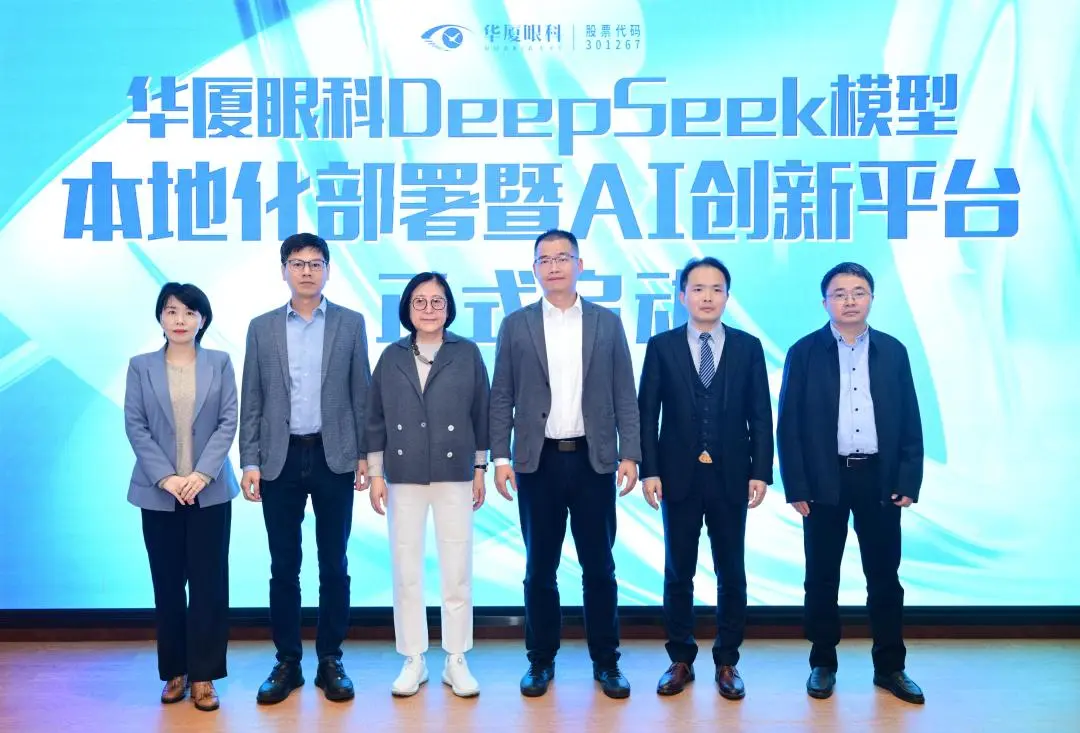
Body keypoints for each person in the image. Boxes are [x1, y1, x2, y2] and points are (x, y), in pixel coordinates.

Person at [490, 228, 641, 699]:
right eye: (544, 259)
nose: (553, 266)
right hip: (538, 464)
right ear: (534, 269)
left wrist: (631, 453)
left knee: (600, 567)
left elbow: (624, 393)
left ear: (579, 264)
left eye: (562, 257)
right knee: (540, 569)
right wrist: (500, 457)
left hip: (594, 462)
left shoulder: (605, 323)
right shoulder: (516, 325)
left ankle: (606, 662)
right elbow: (501, 396)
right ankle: (540, 660)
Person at [777, 262, 925, 705]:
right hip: (825, 479)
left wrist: (908, 478)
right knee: (821, 576)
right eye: (839, 293)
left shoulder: (893, 351)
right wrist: (796, 485)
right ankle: (823, 662)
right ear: (825, 302)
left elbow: (910, 419)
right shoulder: (804, 352)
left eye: (858, 292)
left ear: (871, 298)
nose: (849, 300)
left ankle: (890, 667)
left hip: (880, 478)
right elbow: (789, 425)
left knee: (884, 577)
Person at [239, 232, 371, 704]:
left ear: (329, 270)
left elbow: (361, 393)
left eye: (316, 263)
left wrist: (365, 456)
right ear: (284, 271)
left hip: (334, 456)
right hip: (280, 458)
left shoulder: (351, 323)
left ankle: (330, 659)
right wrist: (249, 459)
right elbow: (252, 397)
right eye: (298, 263)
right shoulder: (262, 327)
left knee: (334, 563)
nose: (307, 271)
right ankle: (287, 662)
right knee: (284, 566)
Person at [638, 257, 773, 700]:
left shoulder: (749, 347)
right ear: (683, 296)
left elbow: (761, 413)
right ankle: (680, 658)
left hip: (732, 476)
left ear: (727, 296)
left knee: (731, 571)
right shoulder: (661, 346)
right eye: (698, 289)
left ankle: (727, 660)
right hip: (676, 476)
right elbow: (646, 413)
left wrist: (761, 471)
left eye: (716, 289)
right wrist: (649, 469)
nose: (707, 297)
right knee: (678, 571)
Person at [364, 272, 490, 698]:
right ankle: (413, 658)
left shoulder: (467, 353)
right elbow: (375, 416)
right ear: (407, 308)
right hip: (404, 473)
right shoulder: (392, 355)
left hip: (456, 473)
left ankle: (456, 658)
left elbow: (481, 412)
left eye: (437, 301)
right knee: (406, 568)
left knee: (457, 568)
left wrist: (480, 468)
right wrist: (376, 473)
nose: (429, 309)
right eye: (420, 301)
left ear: (449, 307)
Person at [124, 282, 238, 712]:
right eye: (171, 311)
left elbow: (228, 421)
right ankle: (175, 671)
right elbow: (136, 425)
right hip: (159, 494)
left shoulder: (220, 363)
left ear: (202, 320)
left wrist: (202, 474)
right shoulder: (140, 367)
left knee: (210, 585)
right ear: (160, 317)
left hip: (210, 492)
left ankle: (204, 675)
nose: (180, 320)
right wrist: (167, 477)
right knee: (168, 585)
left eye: (190, 312)